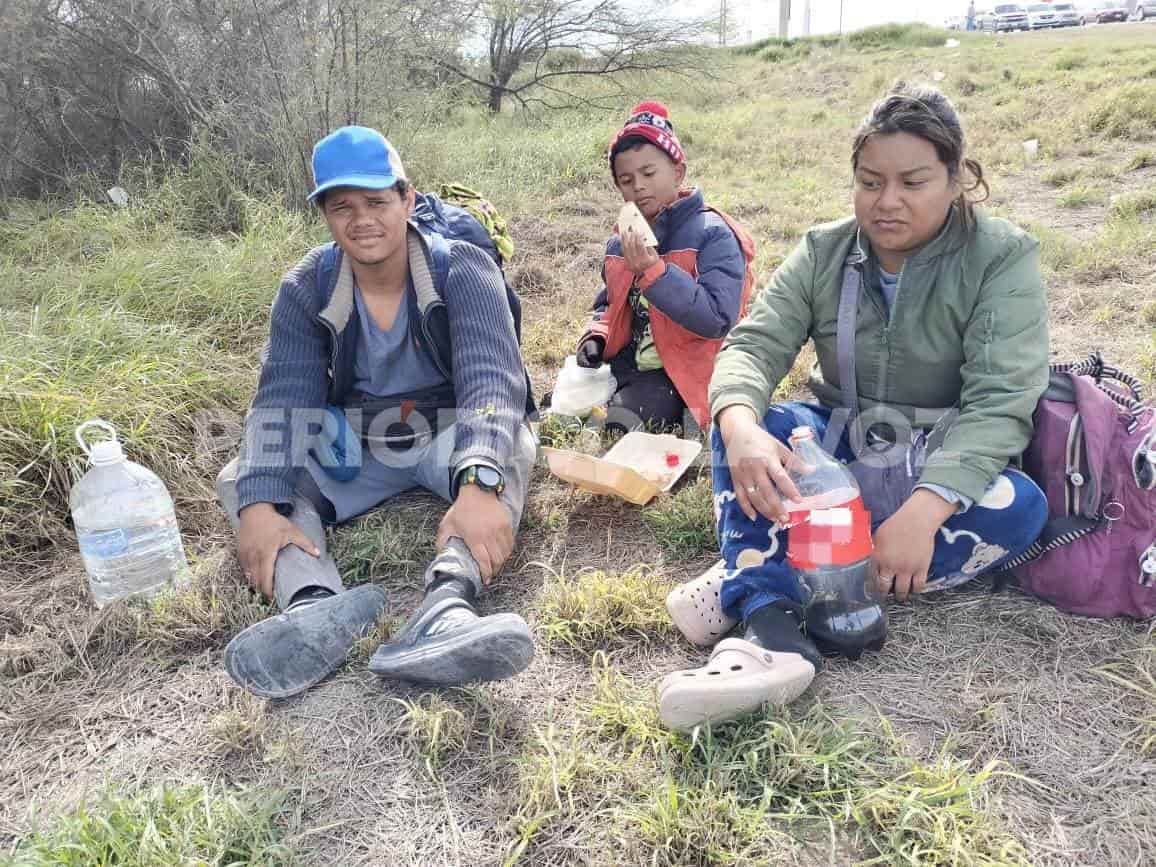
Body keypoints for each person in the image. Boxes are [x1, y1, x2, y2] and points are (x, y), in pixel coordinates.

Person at [658, 83, 1050, 730]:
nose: (887, 201)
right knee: (765, 425)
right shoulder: (824, 251)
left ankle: (759, 567)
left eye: (913, 181)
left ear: (957, 180)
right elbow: (752, 347)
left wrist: (924, 514)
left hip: (938, 462)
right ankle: (772, 631)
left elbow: (999, 405)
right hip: (839, 452)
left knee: (1022, 507)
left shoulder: (1000, 258)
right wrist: (739, 425)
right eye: (870, 181)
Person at [216, 126, 537, 699]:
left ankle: (447, 602)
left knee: (510, 443)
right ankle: (313, 608)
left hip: (450, 436)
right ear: (324, 215)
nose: (362, 219)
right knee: (243, 480)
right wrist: (260, 503)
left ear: (407, 200)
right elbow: (284, 395)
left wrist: (480, 479)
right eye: (343, 206)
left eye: (376, 202)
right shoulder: (305, 287)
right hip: (362, 445)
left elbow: (493, 380)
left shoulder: (462, 267)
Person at [572, 101, 754, 433]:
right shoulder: (621, 242)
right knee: (569, 400)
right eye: (626, 180)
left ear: (678, 172)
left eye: (649, 173)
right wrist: (596, 336)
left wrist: (655, 274)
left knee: (622, 419)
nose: (638, 186)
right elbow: (608, 304)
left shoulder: (712, 234)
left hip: (689, 370)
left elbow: (717, 319)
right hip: (633, 365)